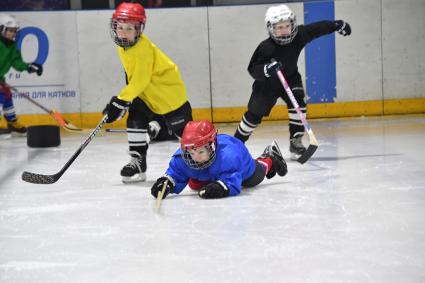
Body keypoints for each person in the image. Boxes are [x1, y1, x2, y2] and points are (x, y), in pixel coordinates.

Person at [234, 4, 351, 160]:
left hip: (290, 77)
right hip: (267, 84)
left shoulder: (299, 36)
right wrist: (267, 69)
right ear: (271, 28)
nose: (284, 30)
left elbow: (316, 29)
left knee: (298, 104)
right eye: (279, 27)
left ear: (293, 24)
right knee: (254, 115)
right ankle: (236, 143)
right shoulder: (266, 47)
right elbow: (253, 68)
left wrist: (337, 25)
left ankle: (295, 141)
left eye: (287, 26)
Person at [102, 0, 193, 183]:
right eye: (120, 27)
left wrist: (121, 100)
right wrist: (124, 101)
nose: (124, 32)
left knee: (188, 138)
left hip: (169, 98)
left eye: (130, 28)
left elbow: (141, 80)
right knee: (135, 119)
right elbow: (134, 78)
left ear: (139, 29)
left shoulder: (142, 49)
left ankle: (202, 163)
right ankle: (137, 160)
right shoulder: (124, 46)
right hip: (146, 96)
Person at [150, 120, 288, 200]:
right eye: (191, 152)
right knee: (195, 186)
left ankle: (270, 156)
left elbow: (233, 184)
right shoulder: (183, 157)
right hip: (214, 169)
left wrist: (222, 188)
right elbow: (176, 172)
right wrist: (167, 182)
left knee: (255, 177)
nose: (195, 157)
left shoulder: (230, 157)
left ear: (212, 146)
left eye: (200, 151)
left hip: (241, 164)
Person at [0, 13, 43, 136]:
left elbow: (16, 61)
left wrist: (29, 67)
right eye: (10, 31)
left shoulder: (12, 45)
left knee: (7, 93)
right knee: (1, 93)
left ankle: (12, 122)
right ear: (1, 29)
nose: (13, 33)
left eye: (15, 31)